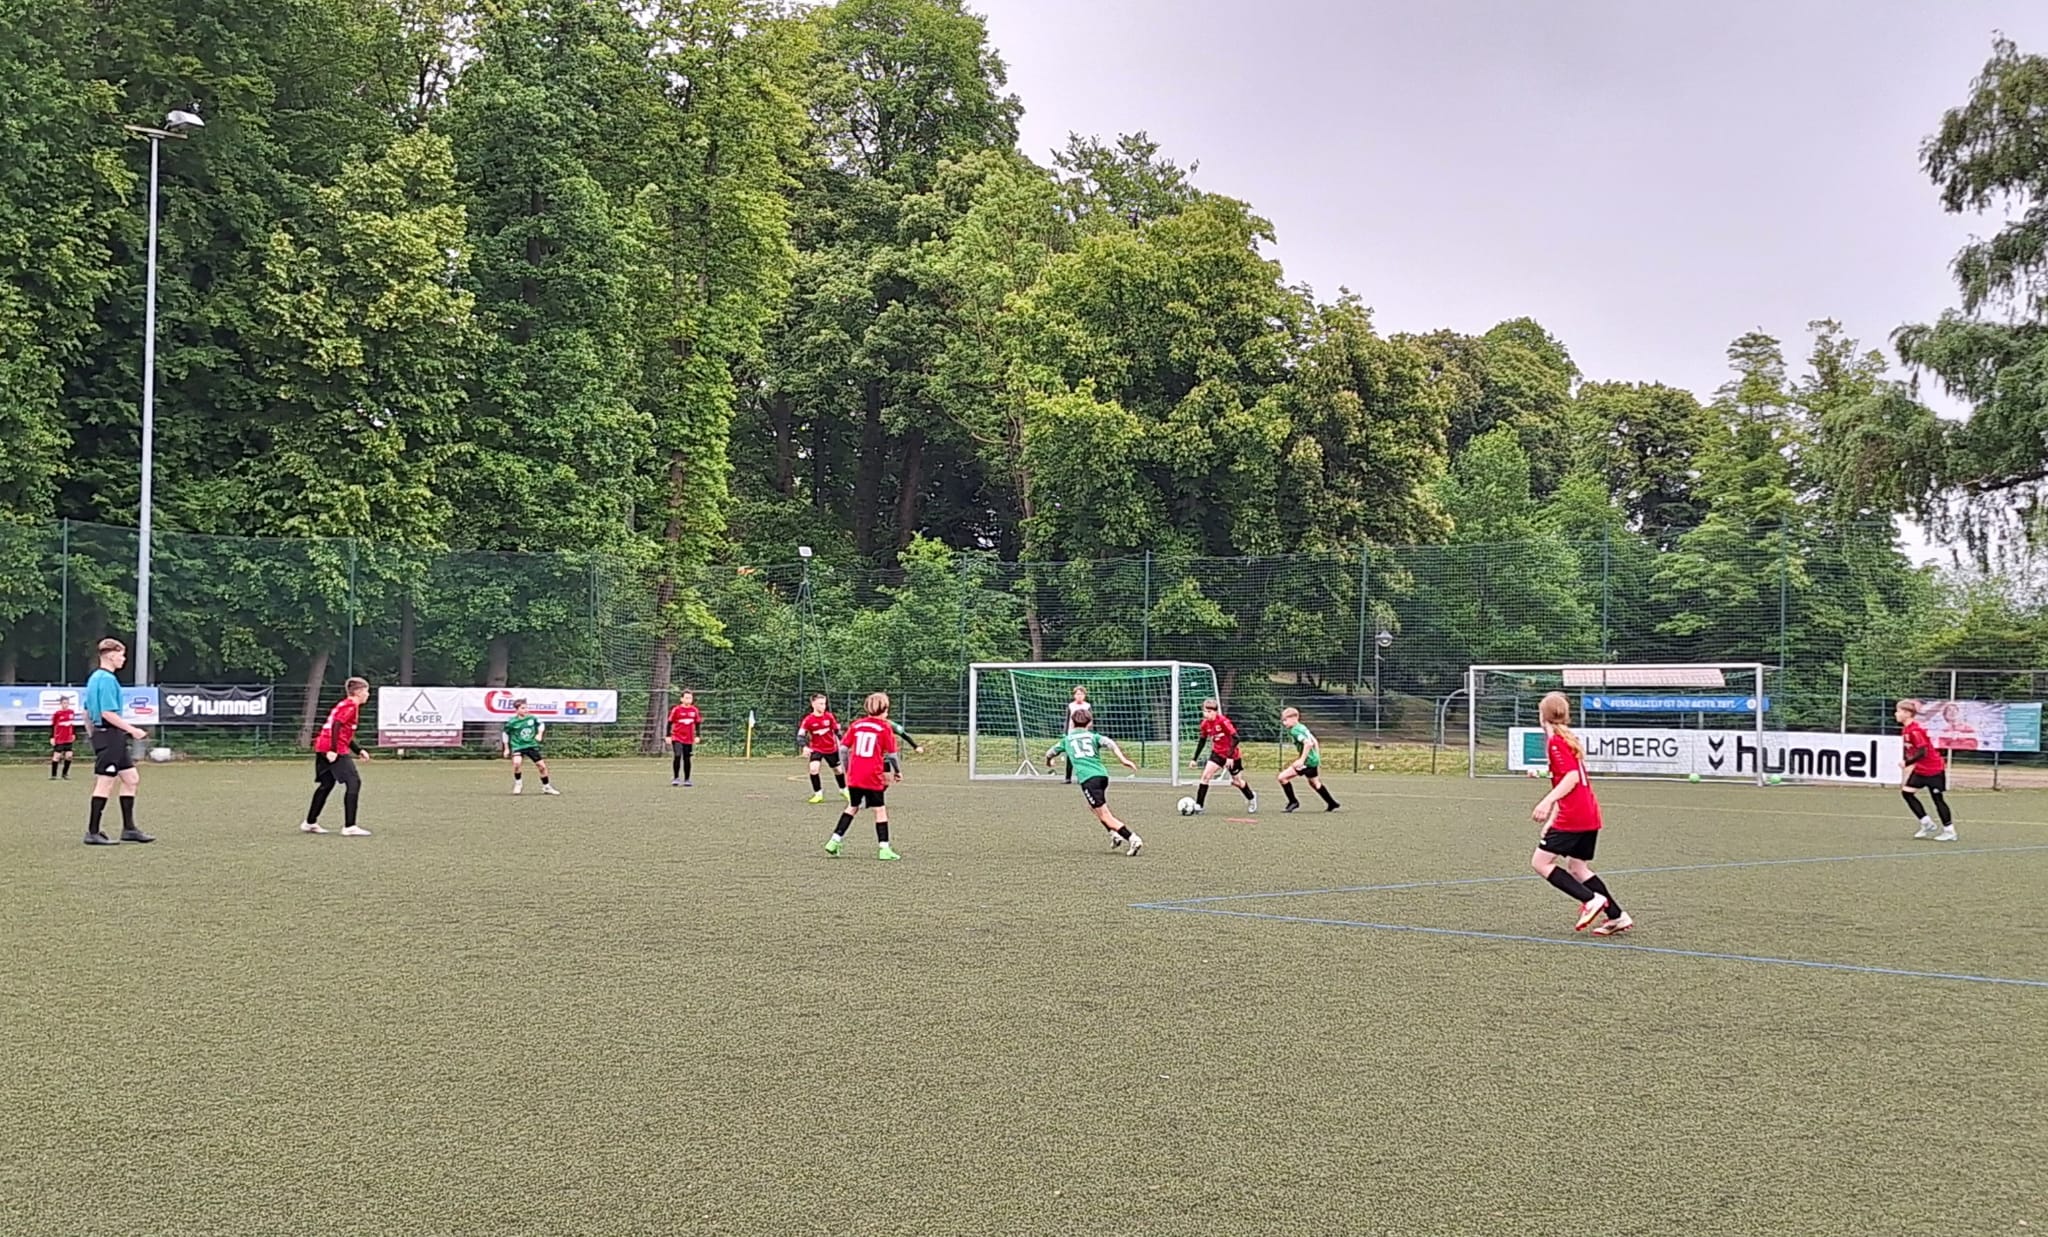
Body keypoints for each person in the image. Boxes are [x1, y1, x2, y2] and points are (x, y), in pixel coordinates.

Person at [1529, 691, 1631, 935]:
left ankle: (1591, 899)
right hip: (1588, 813)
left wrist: (1546, 802)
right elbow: (1567, 783)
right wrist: (1553, 817)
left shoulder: (1556, 742)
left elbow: (1572, 778)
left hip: (1574, 815)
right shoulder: (1566, 738)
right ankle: (1617, 916)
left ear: (1542, 715)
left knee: (1540, 863)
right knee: (1577, 867)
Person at [81, 637, 152, 846]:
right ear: (111, 655)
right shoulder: (107, 679)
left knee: (131, 778)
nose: (123, 659)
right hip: (110, 735)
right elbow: (107, 713)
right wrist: (133, 730)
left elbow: (86, 712)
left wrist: (93, 735)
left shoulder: (94, 678)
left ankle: (129, 829)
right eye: (121, 655)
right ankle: (92, 832)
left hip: (109, 736)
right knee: (105, 782)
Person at [1045, 706, 1144, 856]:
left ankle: (1132, 838)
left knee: (1105, 815)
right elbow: (1110, 743)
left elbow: (1049, 753)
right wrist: (1123, 760)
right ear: (1090, 723)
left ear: (1072, 722)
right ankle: (1114, 834)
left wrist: (1049, 762)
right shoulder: (1094, 737)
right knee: (1094, 808)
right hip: (1102, 776)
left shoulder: (1066, 740)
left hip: (1088, 779)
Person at [824, 692, 901, 861]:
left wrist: (847, 768)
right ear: (884, 709)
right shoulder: (884, 728)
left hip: (855, 775)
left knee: (852, 806)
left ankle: (834, 841)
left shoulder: (857, 724)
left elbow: (843, 749)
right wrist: (897, 771)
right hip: (873, 775)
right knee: (880, 810)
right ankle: (884, 848)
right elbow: (893, 755)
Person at [301, 677, 372, 836]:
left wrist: (358, 750)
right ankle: (350, 826)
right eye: (366, 691)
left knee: (326, 784)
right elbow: (336, 725)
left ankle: (310, 822)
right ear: (358, 692)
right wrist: (333, 750)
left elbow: (343, 732)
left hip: (322, 745)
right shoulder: (351, 705)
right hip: (333, 748)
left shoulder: (344, 704)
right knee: (353, 782)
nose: (368, 694)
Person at [1899, 698, 1956, 842]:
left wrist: (1907, 762)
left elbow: (1922, 751)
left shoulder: (1915, 730)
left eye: (1899, 711)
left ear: (1907, 713)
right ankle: (1926, 823)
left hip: (1933, 769)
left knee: (1938, 800)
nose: (1896, 714)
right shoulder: (1906, 729)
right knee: (1907, 793)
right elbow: (1912, 750)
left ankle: (1949, 831)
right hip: (1921, 770)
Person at [1187, 698, 1257, 814]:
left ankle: (1251, 797)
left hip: (1232, 755)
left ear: (1215, 712)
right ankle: (1199, 805)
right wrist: (1194, 758)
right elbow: (1202, 741)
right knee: (1205, 776)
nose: (1207, 714)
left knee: (1237, 782)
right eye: (1205, 711)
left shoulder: (1223, 721)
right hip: (1217, 754)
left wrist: (1229, 757)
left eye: (1209, 712)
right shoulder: (1204, 724)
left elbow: (1236, 738)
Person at [1276, 707, 1339, 813]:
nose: (1284, 723)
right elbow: (1314, 741)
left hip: (1307, 762)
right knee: (1314, 783)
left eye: (1285, 720)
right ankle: (1332, 803)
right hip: (1312, 760)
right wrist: (1317, 757)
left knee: (1282, 777)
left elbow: (1308, 743)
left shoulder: (1295, 730)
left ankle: (1293, 802)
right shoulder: (1302, 727)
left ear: (1294, 718)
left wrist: (1301, 760)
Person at [502, 699, 559, 795]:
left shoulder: (532, 718)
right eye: (523, 708)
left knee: (542, 767)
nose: (526, 710)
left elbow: (541, 724)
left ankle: (546, 787)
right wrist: (506, 748)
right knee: (517, 763)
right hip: (518, 746)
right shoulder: (512, 722)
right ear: (517, 710)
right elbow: (505, 733)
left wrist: (539, 734)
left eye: (526, 708)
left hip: (531, 745)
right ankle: (518, 783)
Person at [799, 693, 846, 804]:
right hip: (816, 749)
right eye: (820, 704)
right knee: (813, 769)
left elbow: (837, 731)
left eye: (824, 704)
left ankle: (843, 790)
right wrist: (804, 746)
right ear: (813, 704)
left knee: (838, 770)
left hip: (831, 748)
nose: (823, 706)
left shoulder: (829, 717)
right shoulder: (808, 720)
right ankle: (818, 794)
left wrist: (844, 743)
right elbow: (800, 735)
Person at [667, 690, 702, 786]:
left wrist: (698, 736)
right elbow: (669, 722)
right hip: (677, 737)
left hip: (689, 738)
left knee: (687, 758)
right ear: (682, 699)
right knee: (677, 755)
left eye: (690, 698)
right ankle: (676, 778)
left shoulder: (694, 710)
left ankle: (687, 779)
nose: (688, 700)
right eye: (686, 698)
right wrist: (668, 736)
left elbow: (698, 723)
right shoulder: (676, 710)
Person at [1060, 686, 1089, 784]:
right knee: (1070, 755)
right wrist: (1065, 733)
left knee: (1082, 756)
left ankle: (1082, 777)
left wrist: (1089, 732)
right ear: (1074, 695)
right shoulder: (1071, 706)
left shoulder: (1087, 706)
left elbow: (1090, 720)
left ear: (1084, 695)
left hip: (1083, 734)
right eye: (1077, 694)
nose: (1079, 696)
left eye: (1081, 694)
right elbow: (1067, 720)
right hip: (1071, 733)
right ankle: (1067, 777)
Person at [883, 717, 924, 783]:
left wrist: (915, 746)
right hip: (872, 756)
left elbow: (903, 734)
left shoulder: (889, 724)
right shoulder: (867, 723)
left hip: (882, 756)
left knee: (885, 781)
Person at [49, 694, 77, 780]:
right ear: (61, 703)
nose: (66, 705)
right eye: (64, 703)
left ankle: (65, 774)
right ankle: (53, 775)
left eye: (67, 703)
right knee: (57, 756)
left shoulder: (71, 712)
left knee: (69, 756)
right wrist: (52, 737)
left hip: (68, 738)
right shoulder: (57, 714)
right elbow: (53, 725)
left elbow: (72, 724)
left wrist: (73, 734)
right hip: (59, 738)